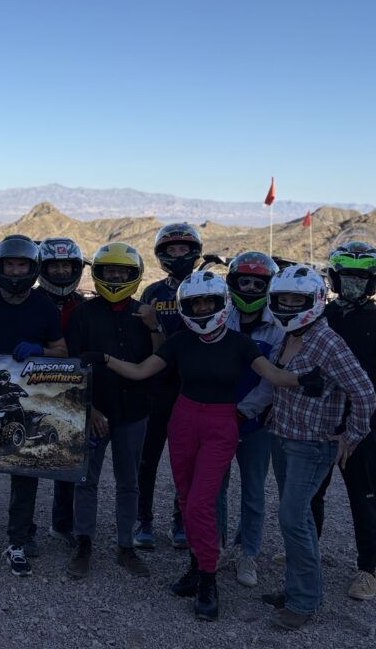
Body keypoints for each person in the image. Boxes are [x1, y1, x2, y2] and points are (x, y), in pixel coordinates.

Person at [99, 271, 312, 621]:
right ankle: (197, 566)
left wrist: (307, 379)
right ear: (187, 306)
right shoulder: (180, 341)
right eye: (195, 302)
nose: (201, 308)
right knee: (186, 499)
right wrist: (104, 359)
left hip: (221, 424)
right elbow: (140, 371)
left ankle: (208, 582)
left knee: (201, 502)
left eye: (207, 302)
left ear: (220, 303)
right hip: (183, 421)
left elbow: (274, 377)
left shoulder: (239, 343)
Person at [246, 265, 376, 630]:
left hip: (312, 444)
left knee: (292, 518)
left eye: (296, 299)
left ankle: (304, 602)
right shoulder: (289, 336)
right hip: (283, 437)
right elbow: (276, 384)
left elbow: (364, 391)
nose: (288, 305)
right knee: (298, 518)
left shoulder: (327, 341)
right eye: (282, 299)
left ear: (315, 301)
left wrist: (352, 436)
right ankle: (298, 590)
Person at [310, 242, 376, 601]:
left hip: (362, 426)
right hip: (319, 422)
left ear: (373, 282)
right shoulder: (320, 316)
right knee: (311, 494)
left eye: (361, 277)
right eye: (348, 276)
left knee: (365, 499)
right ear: (335, 278)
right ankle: (309, 549)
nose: (353, 284)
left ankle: (368, 570)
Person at [0, 235, 68, 577]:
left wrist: (39, 350)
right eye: (11, 265)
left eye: (23, 265)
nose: (16, 271)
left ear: (33, 269)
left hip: (26, 395)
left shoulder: (44, 306)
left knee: (25, 477)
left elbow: (62, 352)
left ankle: (17, 544)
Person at [65, 243, 154, 580]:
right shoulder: (82, 314)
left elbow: (159, 360)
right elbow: (73, 367)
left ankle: (125, 545)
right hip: (94, 412)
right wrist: (91, 409)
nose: (116, 277)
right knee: (86, 479)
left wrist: (155, 325)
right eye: (109, 271)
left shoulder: (144, 315)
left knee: (129, 482)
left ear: (134, 275)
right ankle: (83, 542)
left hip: (134, 411)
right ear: (98, 273)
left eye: (123, 272)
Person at [213, 252, 284, 587]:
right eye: (246, 281)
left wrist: (245, 411)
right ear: (233, 283)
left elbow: (274, 379)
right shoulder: (220, 317)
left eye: (260, 282)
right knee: (216, 489)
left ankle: (249, 554)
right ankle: (217, 547)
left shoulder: (280, 325)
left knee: (254, 492)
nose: (252, 287)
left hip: (256, 423)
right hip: (220, 417)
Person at [134, 223, 203, 550]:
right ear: (161, 255)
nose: (178, 255)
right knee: (147, 458)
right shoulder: (152, 293)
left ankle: (181, 520)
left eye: (183, 250)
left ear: (194, 253)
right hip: (156, 387)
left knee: (186, 459)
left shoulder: (205, 289)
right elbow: (143, 341)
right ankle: (143, 520)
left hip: (192, 387)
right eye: (171, 250)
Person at [36, 237, 87, 547]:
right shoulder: (31, 300)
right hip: (34, 387)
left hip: (72, 392)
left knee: (69, 457)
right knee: (25, 457)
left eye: (66, 265)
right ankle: (23, 528)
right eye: (53, 265)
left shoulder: (83, 305)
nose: (60, 271)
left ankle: (63, 523)